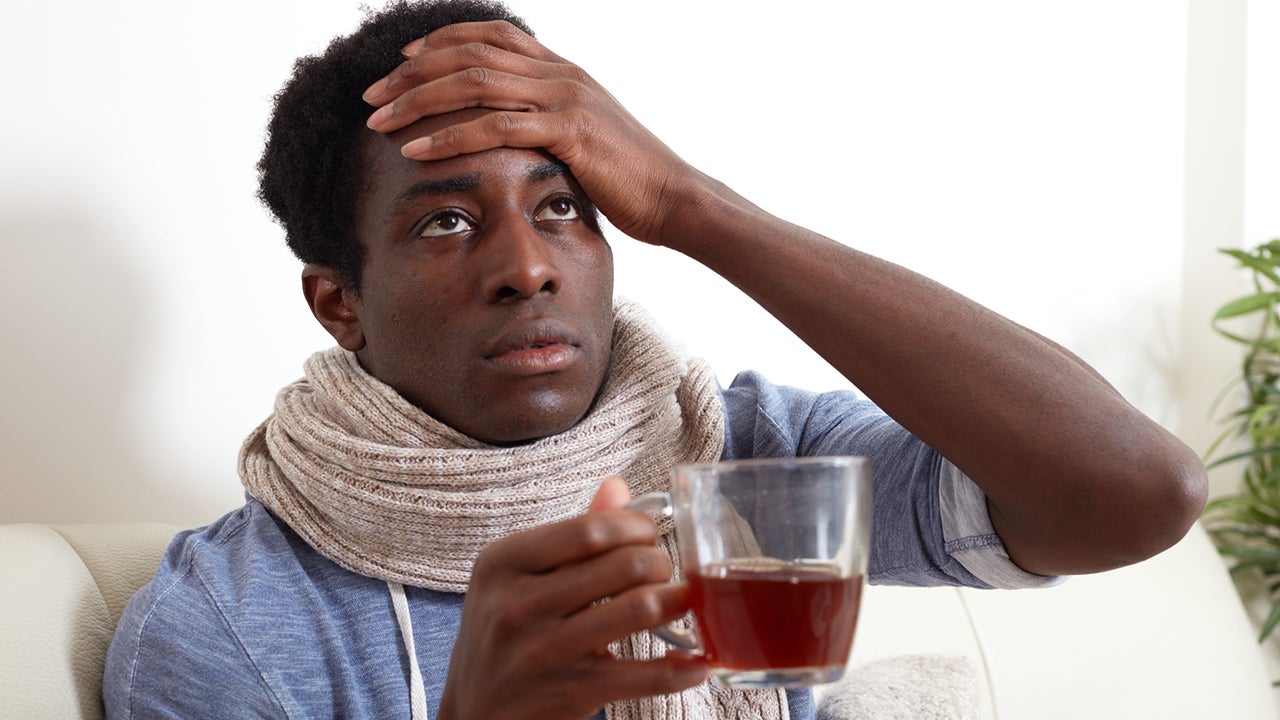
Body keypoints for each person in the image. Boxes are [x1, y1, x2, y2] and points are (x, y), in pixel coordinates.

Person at [103, 1, 1208, 718]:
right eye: (445, 222)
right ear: (338, 305)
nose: (527, 267)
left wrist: (690, 203)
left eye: (564, 207)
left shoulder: (748, 465)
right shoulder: (230, 631)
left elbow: (1135, 492)